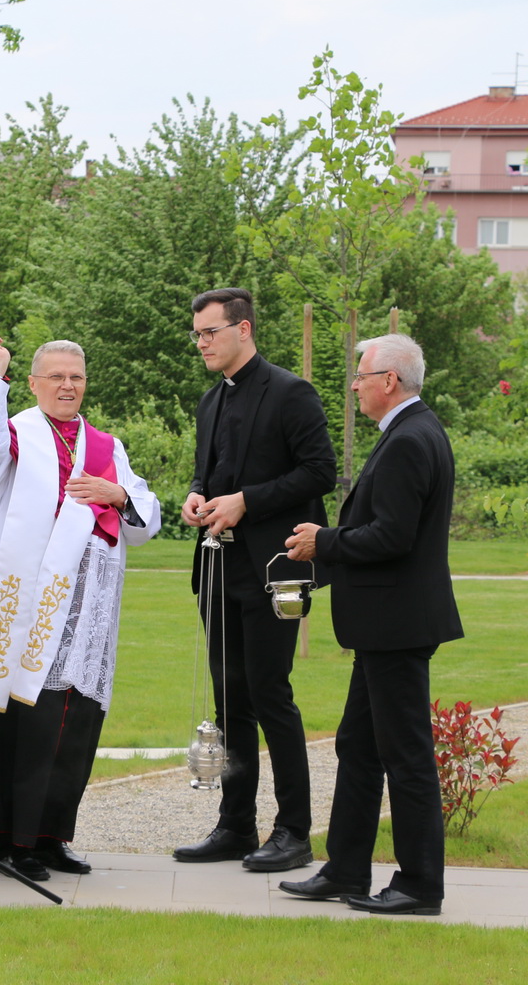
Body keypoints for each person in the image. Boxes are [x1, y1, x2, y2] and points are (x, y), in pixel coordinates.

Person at [0, 333, 161, 881]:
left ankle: (50, 837)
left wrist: (118, 496)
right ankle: (9, 841)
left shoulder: (106, 447)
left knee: (70, 725)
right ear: (36, 383)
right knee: (21, 721)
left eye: (77, 377)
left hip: (81, 613)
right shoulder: (15, 432)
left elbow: (147, 514)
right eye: (57, 377)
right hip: (21, 613)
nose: (68, 386)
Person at [279, 333, 462, 916]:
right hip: (386, 626)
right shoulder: (411, 431)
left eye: (360, 377)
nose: (354, 386)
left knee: (406, 755)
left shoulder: (410, 439)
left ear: (389, 381)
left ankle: (419, 885)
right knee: (359, 747)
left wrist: (322, 541)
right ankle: (347, 868)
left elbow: (393, 535)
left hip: (398, 625)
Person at [175, 288, 336, 873]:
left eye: (209, 332)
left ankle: (294, 831)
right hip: (218, 571)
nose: (201, 343)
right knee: (230, 702)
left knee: (271, 695)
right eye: (196, 334)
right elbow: (208, 471)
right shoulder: (211, 400)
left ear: (243, 329)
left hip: (278, 574)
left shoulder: (292, 393)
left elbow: (322, 472)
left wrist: (247, 502)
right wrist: (198, 496)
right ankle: (236, 825)